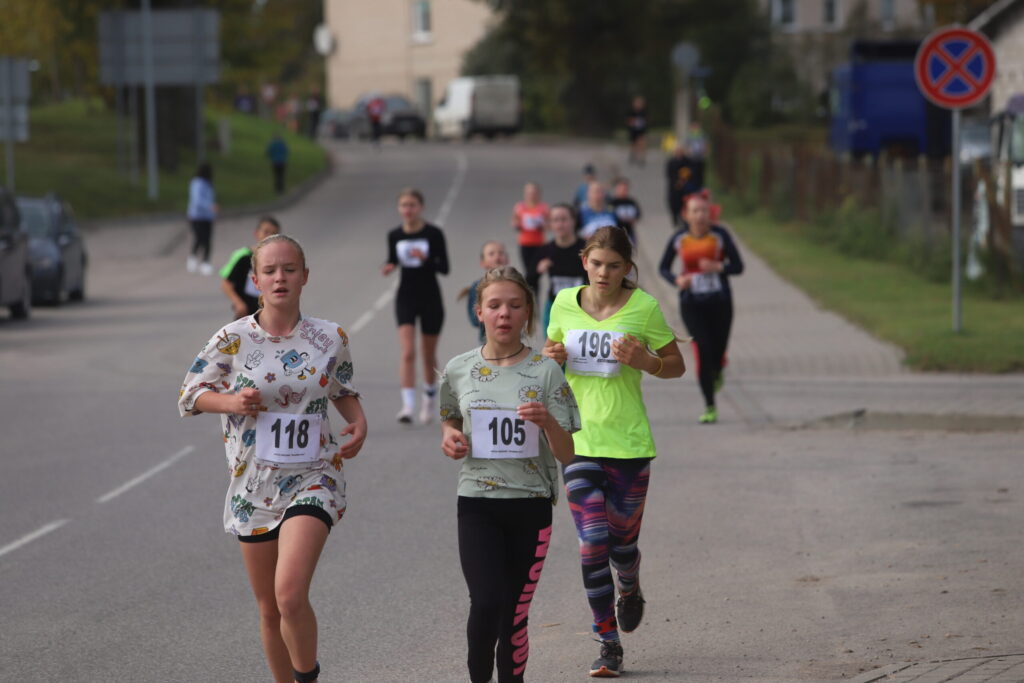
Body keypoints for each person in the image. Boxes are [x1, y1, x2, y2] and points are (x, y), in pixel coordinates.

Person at [178, 234, 368, 683]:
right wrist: (232, 403)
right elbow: (190, 396)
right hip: (253, 486)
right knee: (268, 610)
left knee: (288, 595)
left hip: (314, 476)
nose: (280, 277)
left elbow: (341, 388)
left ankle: (307, 677)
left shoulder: (330, 337)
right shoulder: (232, 338)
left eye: (289, 269)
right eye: (270, 271)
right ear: (255, 280)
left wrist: (358, 421)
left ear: (305, 276)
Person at [544, 226, 685, 678]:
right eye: (597, 263)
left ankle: (630, 582)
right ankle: (607, 642)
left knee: (622, 546)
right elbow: (551, 363)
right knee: (592, 544)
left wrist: (647, 362)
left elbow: (676, 365)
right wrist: (553, 358)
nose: (604, 272)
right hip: (578, 441)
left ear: (627, 268)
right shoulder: (564, 303)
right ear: (584, 260)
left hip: (628, 443)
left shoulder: (643, 308)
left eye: (614, 265)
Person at [439, 265, 580, 683]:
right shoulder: (458, 369)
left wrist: (548, 424)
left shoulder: (546, 371)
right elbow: (449, 420)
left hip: (531, 507)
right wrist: (449, 438)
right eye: (495, 305)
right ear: (479, 312)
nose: (504, 314)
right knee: (486, 602)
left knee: (513, 615)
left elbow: (568, 454)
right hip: (477, 504)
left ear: (527, 314)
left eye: (514, 306)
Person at [658, 190, 743, 424]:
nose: (700, 215)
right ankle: (710, 405)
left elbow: (738, 266)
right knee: (703, 350)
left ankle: (718, 367)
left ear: (710, 213)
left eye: (704, 210)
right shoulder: (678, 239)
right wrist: (676, 280)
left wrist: (718, 267)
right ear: (687, 215)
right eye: (695, 211)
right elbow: (663, 268)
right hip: (691, 303)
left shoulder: (721, 236)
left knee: (718, 349)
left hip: (720, 301)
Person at [382, 188, 450, 425]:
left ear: (420, 207)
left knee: (428, 354)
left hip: (430, 297)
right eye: (404, 205)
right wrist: (389, 266)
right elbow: (392, 258)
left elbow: (445, 268)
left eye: (412, 205)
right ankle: (408, 406)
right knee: (408, 351)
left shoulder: (433, 233)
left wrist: (426, 259)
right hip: (406, 297)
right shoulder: (395, 235)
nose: (408, 210)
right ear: (399, 209)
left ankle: (429, 402)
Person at [535, 203, 586, 332]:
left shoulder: (586, 248)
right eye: (555, 220)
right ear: (550, 224)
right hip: (554, 306)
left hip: (581, 308)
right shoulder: (546, 250)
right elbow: (529, 280)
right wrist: (538, 271)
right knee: (551, 350)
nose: (560, 224)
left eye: (564, 219)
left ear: (573, 221)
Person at [220, 216, 281, 319]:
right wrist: (239, 304)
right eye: (266, 232)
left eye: (273, 234)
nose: (269, 236)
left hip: (270, 316)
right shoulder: (243, 257)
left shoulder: (279, 260)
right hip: (246, 315)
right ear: (256, 233)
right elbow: (226, 284)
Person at [459, 240, 510, 344]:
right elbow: (474, 320)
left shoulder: (515, 286)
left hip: (512, 339)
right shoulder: (477, 287)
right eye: (491, 254)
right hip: (487, 341)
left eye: (501, 253)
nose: (497, 257)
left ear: (507, 259)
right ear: (483, 263)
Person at [511, 181, 549, 299]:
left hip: (539, 245)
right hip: (525, 244)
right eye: (528, 193)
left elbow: (550, 225)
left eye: (534, 193)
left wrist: (541, 225)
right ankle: (530, 298)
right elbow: (514, 223)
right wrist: (520, 225)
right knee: (529, 272)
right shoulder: (519, 207)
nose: (531, 195)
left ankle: (533, 298)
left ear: (538, 194)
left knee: (535, 274)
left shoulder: (544, 208)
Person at [187, 163, 218, 275]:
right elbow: (197, 200)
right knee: (200, 238)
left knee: (207, 239)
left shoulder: (209, 184)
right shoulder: (197, 183)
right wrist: (209, 206)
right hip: (197, 216)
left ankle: (206, 262)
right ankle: (193, 257)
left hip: (207, 217)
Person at [665, 143, 705, 227]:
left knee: (684, 202)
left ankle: (684, 218)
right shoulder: (671, 162)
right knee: (674, 203)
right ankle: (675, 217)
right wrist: (677, 181)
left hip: (685, 187)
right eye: (677, 151)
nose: (679, 153)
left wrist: (684, 180)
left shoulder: (687, 161)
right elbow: (669, 174)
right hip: (675, 186)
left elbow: (692, 171)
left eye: (680, 151)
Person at [609, 177, 642, 245]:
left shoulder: (631, 202)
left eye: (625, 189)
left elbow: (638, 214)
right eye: (621, 189)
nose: (623, 191)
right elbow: (610, 216)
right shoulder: (612, 203)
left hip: (629, 232)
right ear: (617, 189)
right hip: (616, 233)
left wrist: (634, 219)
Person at [626, 96, 648, 167]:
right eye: (637, 103)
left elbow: (647, 120)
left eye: (639, 103)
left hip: (641, 130)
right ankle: (633, 154)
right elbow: (628, 121)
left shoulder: (644, 112)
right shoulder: (631, 112)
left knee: (642, 143)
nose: (638, 105)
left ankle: (641, 158)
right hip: (633, 130)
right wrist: (633, 122)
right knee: (634, 144)